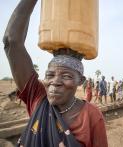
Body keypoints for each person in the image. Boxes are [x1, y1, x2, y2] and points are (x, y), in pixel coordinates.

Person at [3, 0, 108, 146]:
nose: (55, 82)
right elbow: (11, 41)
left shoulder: (91, 115)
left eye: (66, 76)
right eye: (49, 75)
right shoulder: (38, 98)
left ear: (81, 81)